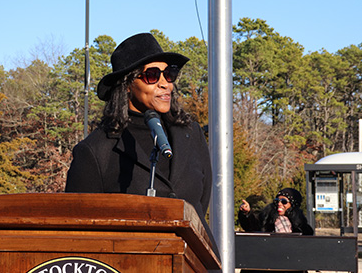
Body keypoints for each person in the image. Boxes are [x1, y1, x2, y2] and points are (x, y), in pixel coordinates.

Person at [65, 32, 217, 254]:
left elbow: (200, 206)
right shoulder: (95, 151)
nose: (166, 84)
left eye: (170, 73)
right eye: (153, 75)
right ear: (127, 84)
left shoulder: (191, 134)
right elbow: (79, 236)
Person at [238, 187, 314, 235]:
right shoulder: (267, 217)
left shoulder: (300, 223)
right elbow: (252, 226)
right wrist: (247, 213)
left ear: (293, 204)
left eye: (284, 201)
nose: (279, 203)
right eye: (277, 200)